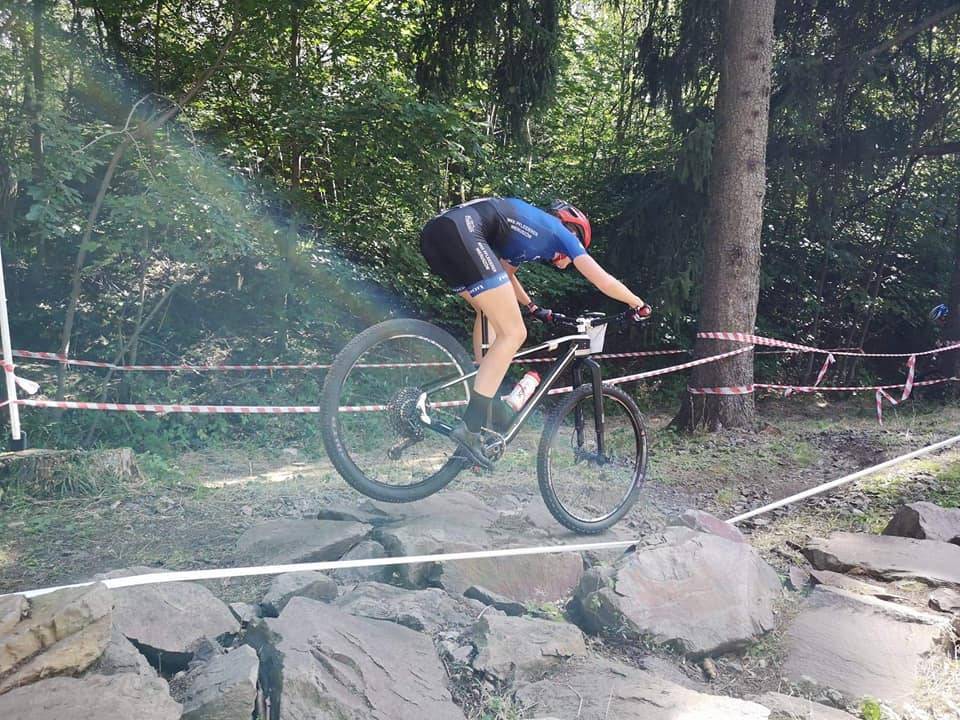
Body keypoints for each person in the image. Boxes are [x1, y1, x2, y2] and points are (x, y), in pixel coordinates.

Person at [419, 197, 650, 468]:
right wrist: (638, 304)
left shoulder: (526, 239)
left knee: (490, 313)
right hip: (463, 232)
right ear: (575, 232)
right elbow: (602, 280)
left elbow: (504, 275)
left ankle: (486, 396)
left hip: (436, 235)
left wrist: (533, 307)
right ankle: (470, 427)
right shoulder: (562, 232)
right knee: (515, 333)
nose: (571, 259)